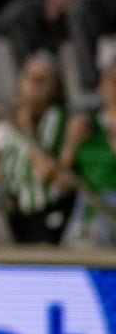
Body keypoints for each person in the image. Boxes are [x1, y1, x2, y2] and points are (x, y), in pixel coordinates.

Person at [0, 52, 72, 244]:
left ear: (54, 88)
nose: (32, 86)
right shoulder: (7, 121)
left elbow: (47, 172)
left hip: (45, 217)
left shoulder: (58, 119)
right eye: (28, 77)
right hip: (12, 215)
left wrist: (28, 128)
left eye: (40, 81)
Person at [59, 58, 116, 246]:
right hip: (89, 210)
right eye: (113, 81)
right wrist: (71, 142)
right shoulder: (87, 126)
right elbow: (60, 182)